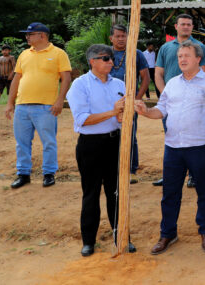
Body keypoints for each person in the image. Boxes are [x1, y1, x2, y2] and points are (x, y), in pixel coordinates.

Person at [135, 41, 205, 255]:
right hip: (173, 147)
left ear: (198, 59)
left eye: (187, 56)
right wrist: (147, 112)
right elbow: (162, 109)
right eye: (179, 57)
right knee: (170, 193)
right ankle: (168, 233)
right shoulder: (172, 84)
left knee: (204, 191)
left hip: (200, 147)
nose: (182, 60)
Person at [66, 44, 136, 256]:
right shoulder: (80, 85)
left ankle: (122, 236)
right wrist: (112, 112)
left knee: (116, 192)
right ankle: (88, 240)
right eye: (105, 58)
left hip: (115, 143)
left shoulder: (120, 83)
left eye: (111, 58)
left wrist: (124, 116)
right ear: (92, 61)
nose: (110, 62)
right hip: (90, 145)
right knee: (91, 193)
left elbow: (125, 112)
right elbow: (82, 120)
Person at [6, 22, 71, 189]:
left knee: (48, 141)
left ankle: (48, 173)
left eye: (30, 34)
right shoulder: (24, 54)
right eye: (27, 34)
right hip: (22, 106)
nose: (27, 37)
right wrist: (10, 103)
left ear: (42, 35)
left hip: (46, 107)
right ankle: (23, 174)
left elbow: (66, 78)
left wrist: (59, 101)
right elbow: (16, 79)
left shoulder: (58, 53)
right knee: (22, 142)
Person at [153, 14, 205, 187]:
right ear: (176, 26)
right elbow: (158, 74)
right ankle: (170, 175)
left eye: (189, 24)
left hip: (194, 104)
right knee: (171, 138)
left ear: (192, 27)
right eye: (182, 24)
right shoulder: (165, 48)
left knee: (195, 141)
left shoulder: (201, 48)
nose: (185, 27)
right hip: (171, 104)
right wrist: (167, 96)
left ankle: (194, 175)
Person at [109, 24, 150, 184]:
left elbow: (145, 78)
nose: (121, 39)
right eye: (117, 36)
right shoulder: (106, 54)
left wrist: (136, 99)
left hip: (130, 102)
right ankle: (112, 169)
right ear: (111, 38)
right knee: (109, 136)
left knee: (130, 135)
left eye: (123, 36)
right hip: (109, 104)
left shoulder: (136, 53)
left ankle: (131, 170)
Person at [0, 45, 15, 111]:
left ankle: (13, 106)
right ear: (1, 51)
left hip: (9, 78)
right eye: (3, 50)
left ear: (9, 51)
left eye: (6, 50)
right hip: (1, 77)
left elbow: (14, 67)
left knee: (11, 91)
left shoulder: (11, 58)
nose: (5, 51)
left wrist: (11, 75)